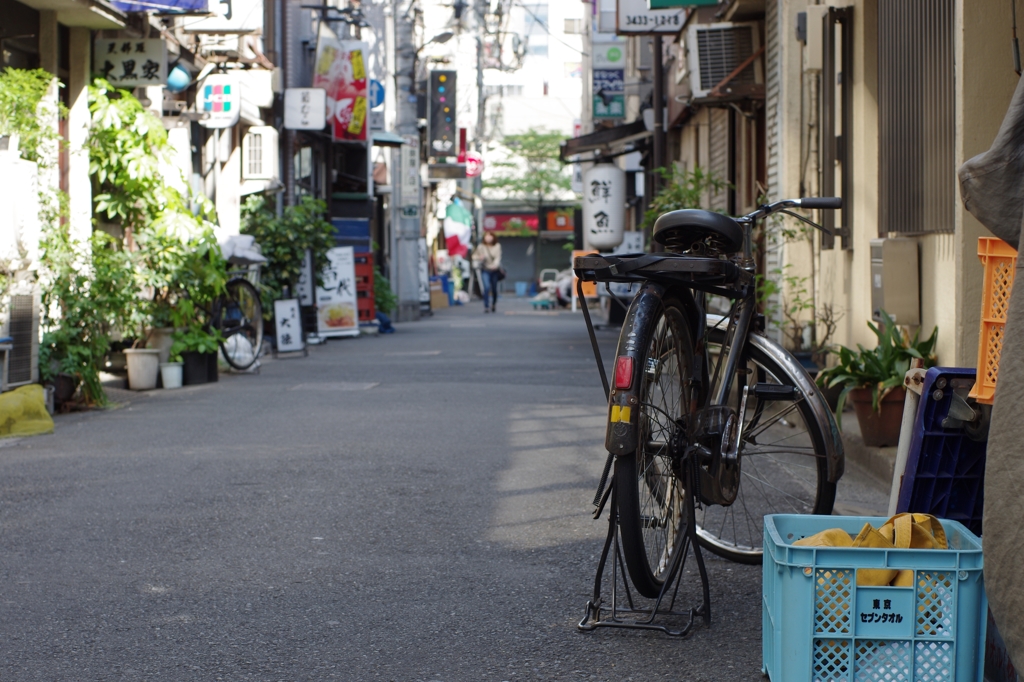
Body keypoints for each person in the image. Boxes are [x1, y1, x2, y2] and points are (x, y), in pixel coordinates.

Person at [472, 232, 502, 313]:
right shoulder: (481, 247)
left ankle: (494, 304)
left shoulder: (497, 246)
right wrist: (479, 257)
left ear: (493, 237)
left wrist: (495, 265)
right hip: (485, 269)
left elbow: (498, 257)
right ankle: (486, 306)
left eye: (490, 236)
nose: (488, 238)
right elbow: (474, 256)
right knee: (486, 288)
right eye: (487, 236)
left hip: (494, 270)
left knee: (494, 289)